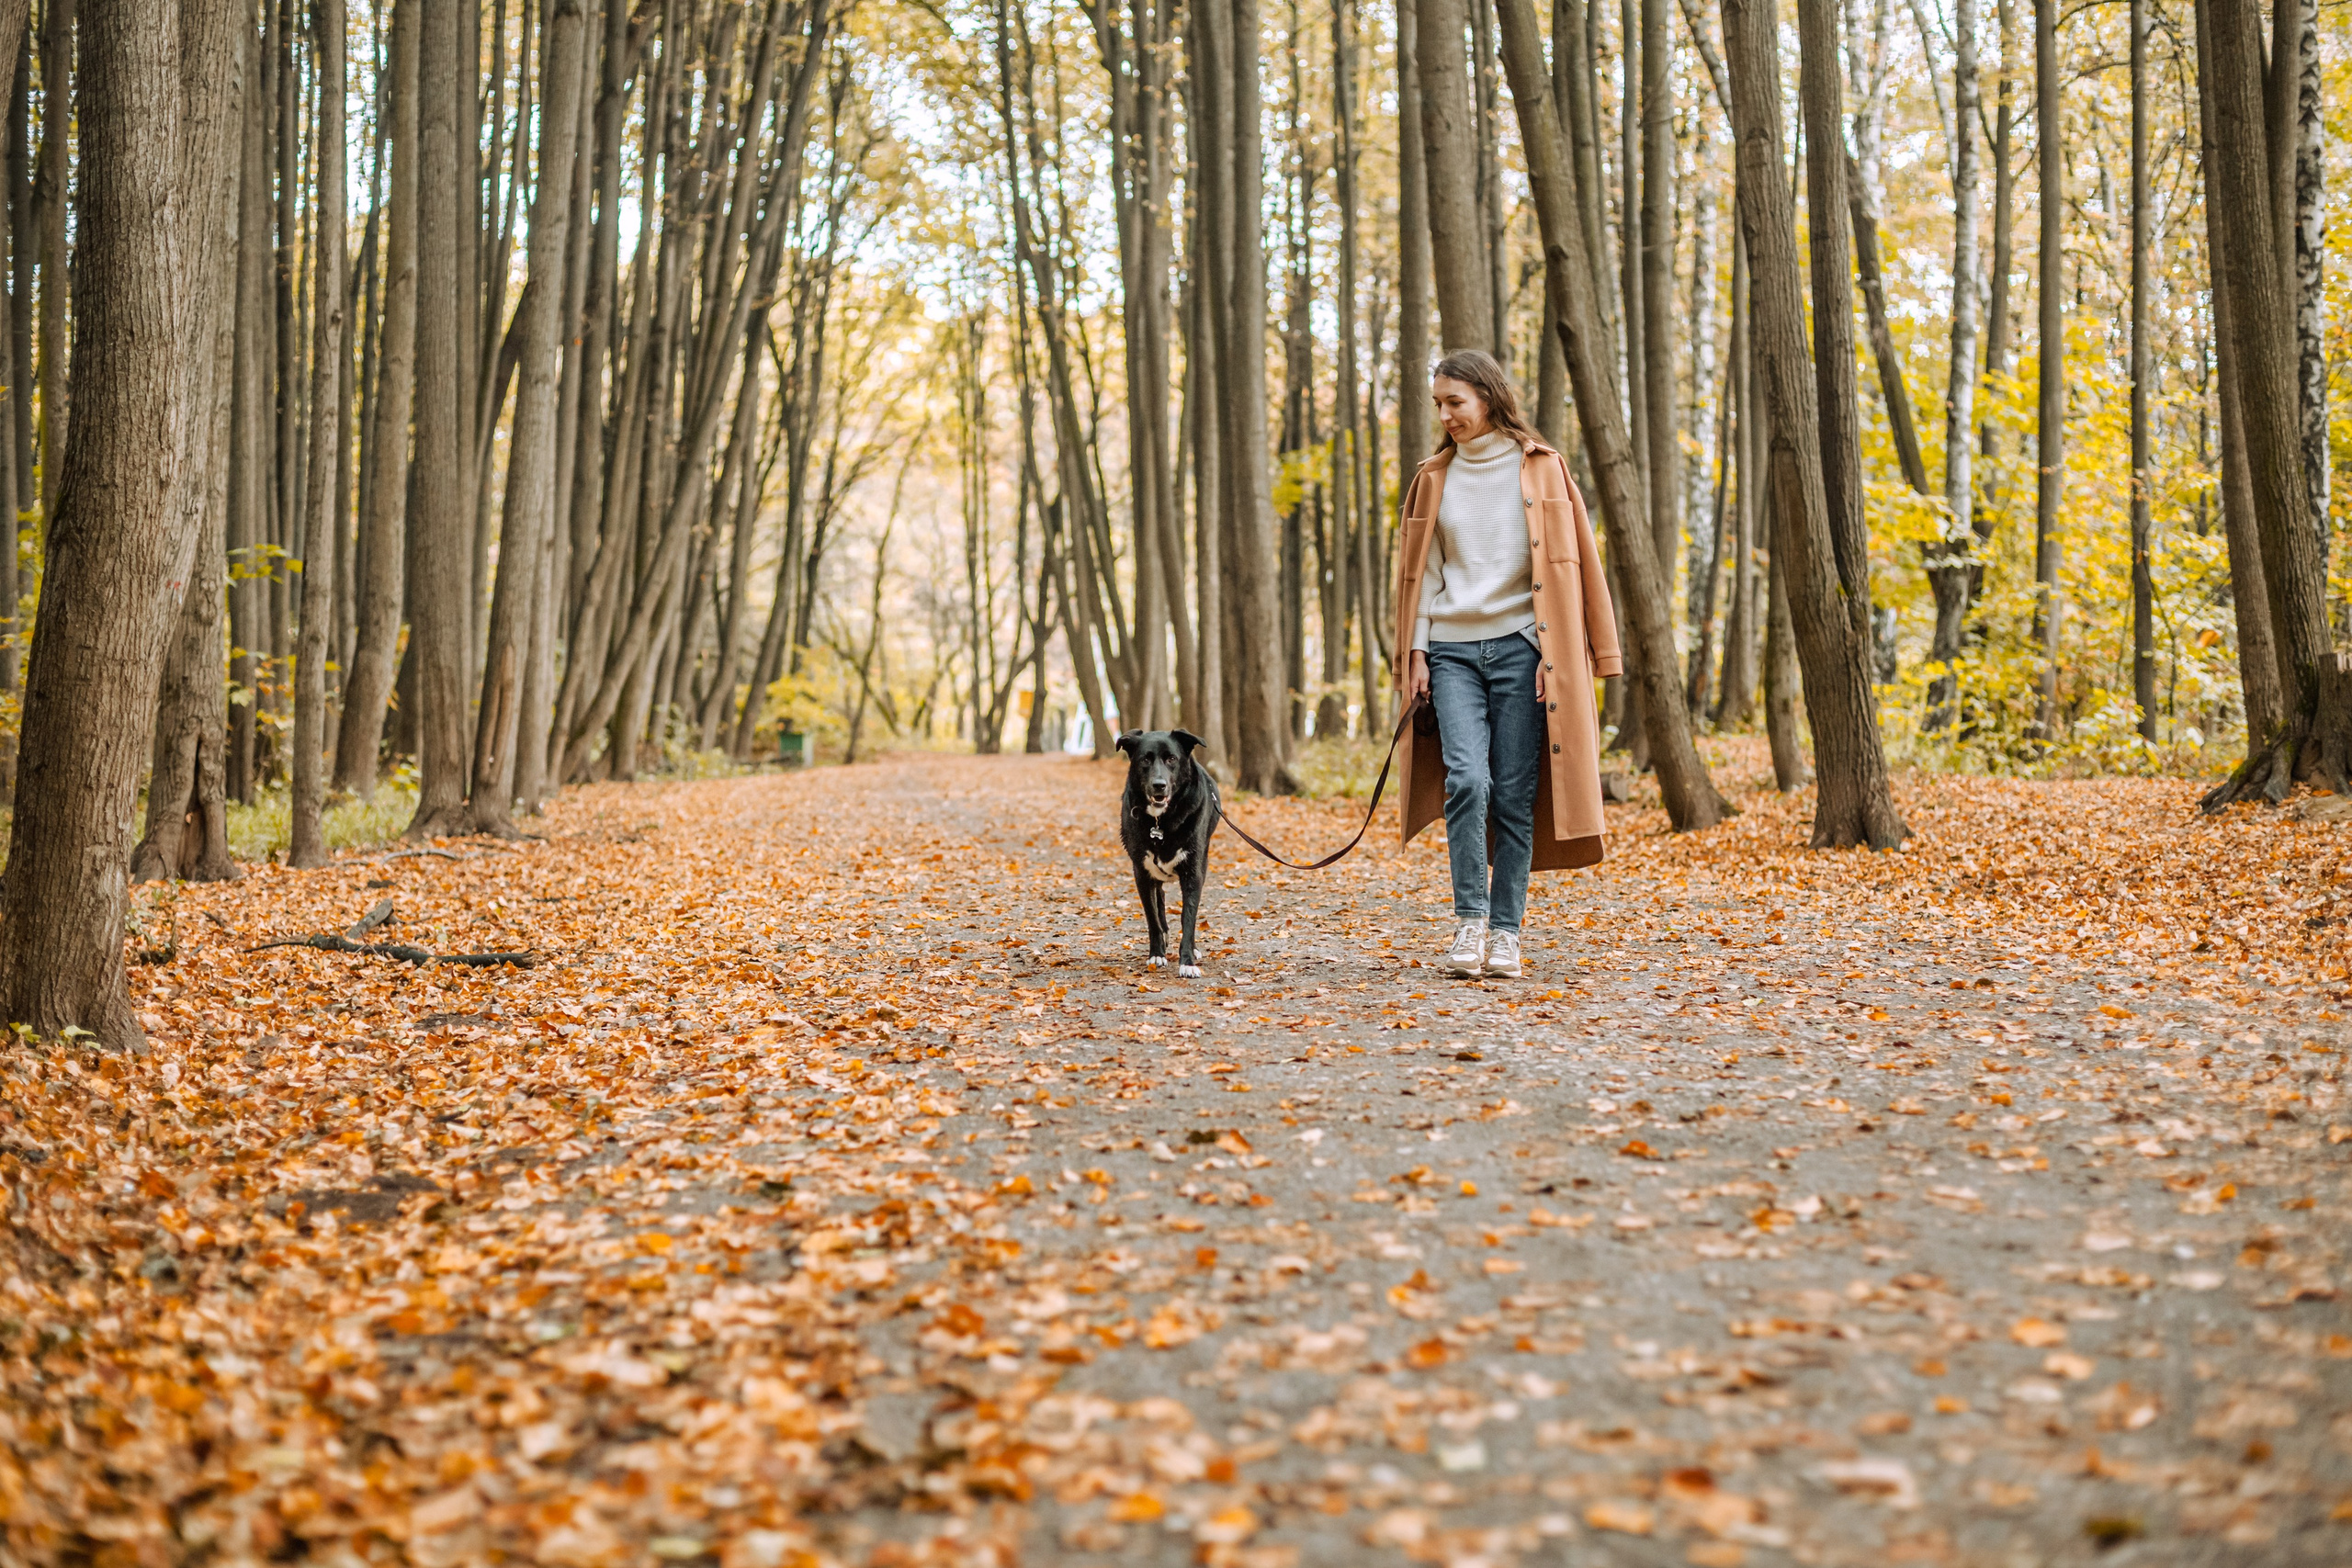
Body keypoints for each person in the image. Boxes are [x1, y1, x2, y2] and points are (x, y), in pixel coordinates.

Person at [1393, 350, 1622, 978]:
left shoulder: (1543, 468)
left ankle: (1505, 933)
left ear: (1489, 397)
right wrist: (1416, 652)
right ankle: (1470, 922)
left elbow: (1573, 566)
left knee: (1515, 795)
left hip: (1524, 651)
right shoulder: (1432, 477)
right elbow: (1420, 575)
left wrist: (1561, 656)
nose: (1445, 415)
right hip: (1452, 653)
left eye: (1455, 402)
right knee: (1468, 781)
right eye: (1438, 404)